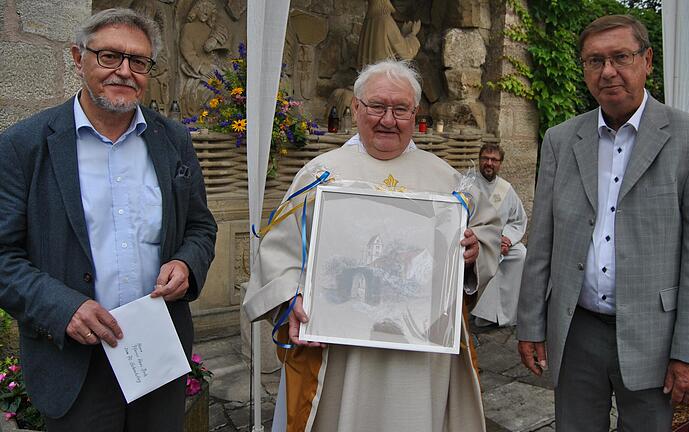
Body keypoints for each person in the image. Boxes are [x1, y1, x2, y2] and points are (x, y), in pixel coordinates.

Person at [243, 59, 500, 432]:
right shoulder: (320, 175)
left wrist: (475, 254)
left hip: (421, 353)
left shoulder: (447, 180)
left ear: (415, 114)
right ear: (356, 109)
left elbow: (488, 233)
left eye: (400, 109)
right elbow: (278, 253)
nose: (388, 119)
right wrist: (290, 298)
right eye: (377, 107)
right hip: (343, 357)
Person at [0, 8, 217, 431]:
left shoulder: (172, 139)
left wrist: (188, 264)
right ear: (76, 58)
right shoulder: (22, 146)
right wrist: (64, 307)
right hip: (74, 360)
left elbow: (200, 227)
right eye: (109, 57)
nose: (124, 71)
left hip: (155, 352)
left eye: (138, 61)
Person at [516, 15, 689, 431]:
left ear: (647, 60)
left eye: (620, 57)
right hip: (577, 331)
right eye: (594, 61)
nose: (607, 71)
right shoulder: (561, 139)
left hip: (656, 335)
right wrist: (531, 324)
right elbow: (542, 241)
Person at [471, 143, 527, 328]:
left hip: (501, 241)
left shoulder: (506, 189)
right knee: (487, 256)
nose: (489, 163)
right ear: (479, 160)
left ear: (500, 164)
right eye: (485, 158)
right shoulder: (468, 183)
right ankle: (484, 315)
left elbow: (518, 220)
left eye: (494, 160)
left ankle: (506, 313)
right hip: (476, 241)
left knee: (521, 255)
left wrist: (507, 239)